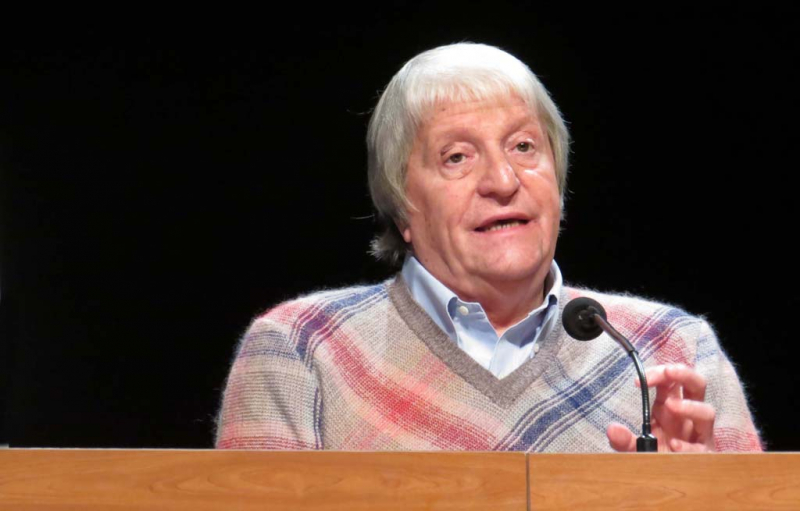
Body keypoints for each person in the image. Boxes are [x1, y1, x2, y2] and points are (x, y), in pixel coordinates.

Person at [215, 43, 761, 453]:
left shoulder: (670, 351)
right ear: (402, 207)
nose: (502, 181)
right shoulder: (304, 350)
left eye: (523, 146)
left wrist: (696, 505)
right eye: (457, 157)